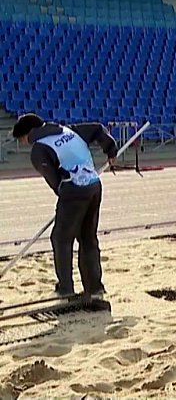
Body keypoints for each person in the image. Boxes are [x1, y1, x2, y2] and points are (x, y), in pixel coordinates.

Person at [10, 113, 118, 298]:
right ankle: (95, 288)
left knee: (61, 239)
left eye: (22, 139)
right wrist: (111, 151)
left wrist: (66, 196)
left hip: (73, 192)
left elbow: (55, 181)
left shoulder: (40, 149)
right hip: (94, 186)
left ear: (28, 133)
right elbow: (98, 129)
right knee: (88, 238)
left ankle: (65, 289)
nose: (24, 142)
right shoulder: (69, 130)